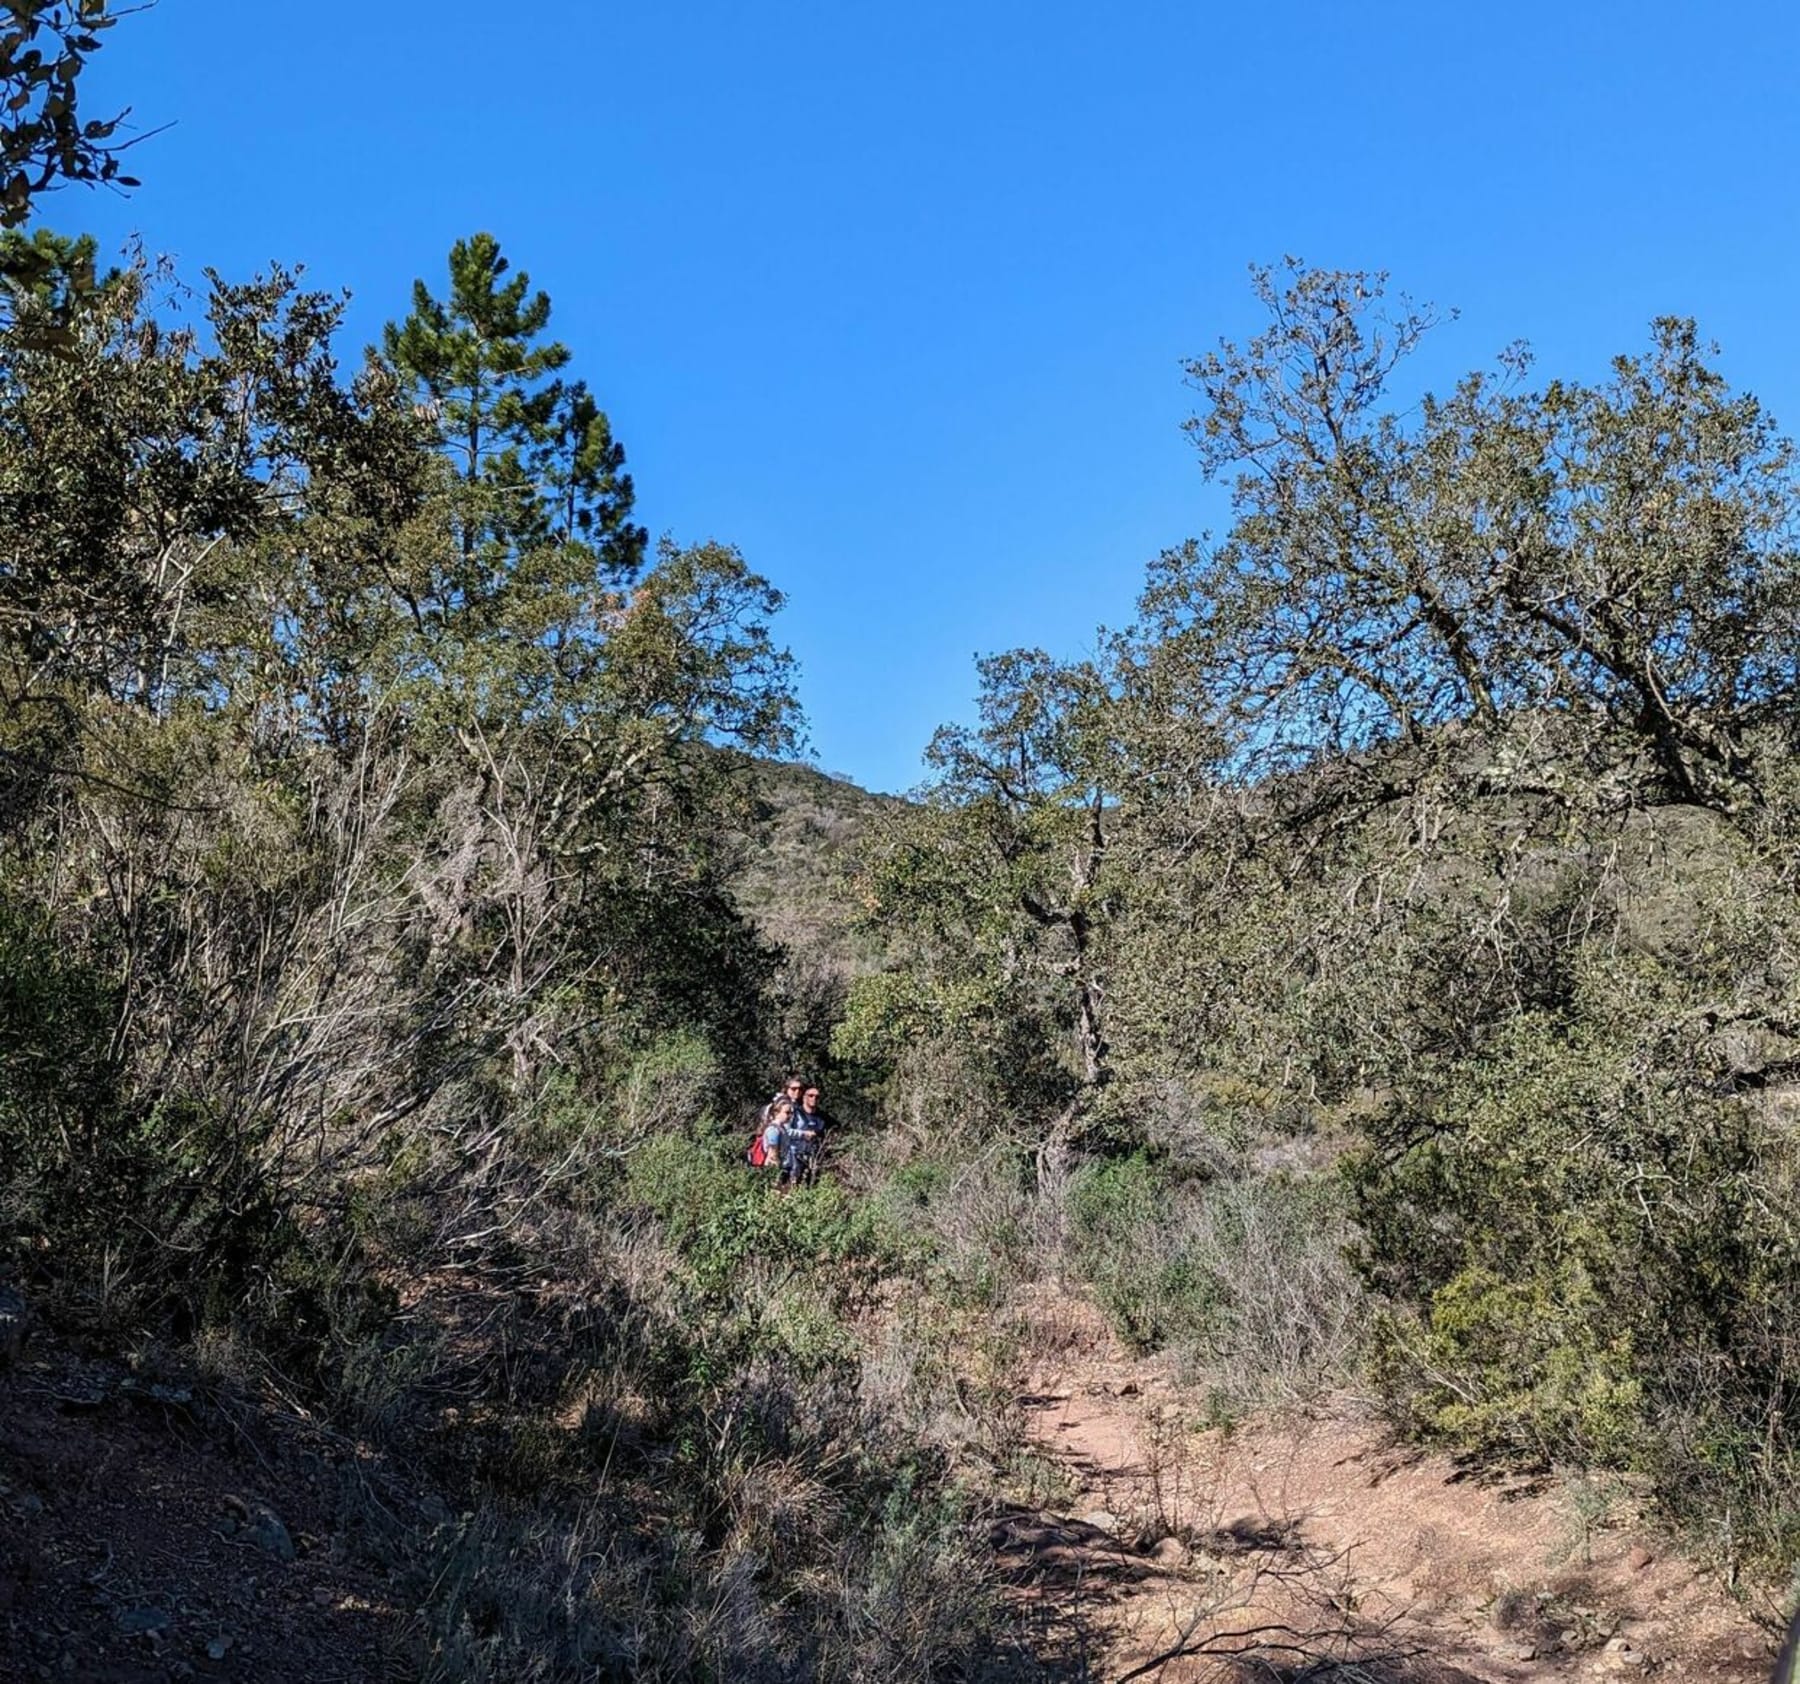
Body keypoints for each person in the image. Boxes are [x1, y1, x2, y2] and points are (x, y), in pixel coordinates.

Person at [786, 1083, 833, 1187]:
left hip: (815, 1157)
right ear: (804, 1097)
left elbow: (834, 1130)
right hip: (795, 1156)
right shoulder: (795, 1113)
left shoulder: (823, 1117)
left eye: (817, 1096)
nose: (814, 1098)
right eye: (810, 1095)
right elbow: (786, 1131)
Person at [759, 1097, 793, 1178]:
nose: (790, 1116)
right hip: (775, 1168)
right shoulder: (773, 1130)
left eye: (791, 1113)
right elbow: (773, 1153)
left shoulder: (782, 1128)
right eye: (787, 1113)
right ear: (777, 1112)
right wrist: (777, 1173)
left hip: (784, 1166)